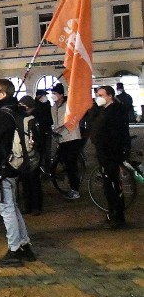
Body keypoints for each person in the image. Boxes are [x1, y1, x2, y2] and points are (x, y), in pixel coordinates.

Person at [0, 79, 35, 267]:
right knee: (13, 207)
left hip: (1, 167)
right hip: (13, 165)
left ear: (3, 94)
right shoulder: (16, 110)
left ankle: (14, 250)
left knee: (6, 209)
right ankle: (24, 244)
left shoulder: (2, 114)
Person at [90, 85, 131, 228]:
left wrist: (117, 152)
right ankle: (112, 210)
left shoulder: (116, 112)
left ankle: (119, 215)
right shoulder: (103, 111)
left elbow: (116, 135)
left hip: (111, 154)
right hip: (104, 153)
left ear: (110, 96)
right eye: (97, 95)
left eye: (101, 95)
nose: (98, 97)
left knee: (114, 185)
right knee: (108, 185)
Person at [50, 83, 83, 201]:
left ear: (61, 95)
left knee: (71, 165)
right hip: (61, 139)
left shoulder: (69, 106)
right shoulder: (53, 107)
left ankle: (75, 190)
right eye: (52, 93)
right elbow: (55, 121)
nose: (52, 95)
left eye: (55, 93)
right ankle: (70, 185)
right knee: (65, 163)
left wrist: (56, 129)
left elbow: (66, 121)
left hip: (72, 138)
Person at [18, 96, 44, 215]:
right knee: (25, 181)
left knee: (34, 181)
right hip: (23, 154)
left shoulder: (34, 119)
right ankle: (28, 205)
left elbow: (38, 137)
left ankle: (36, 206)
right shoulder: (21, 118)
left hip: (32, 155)